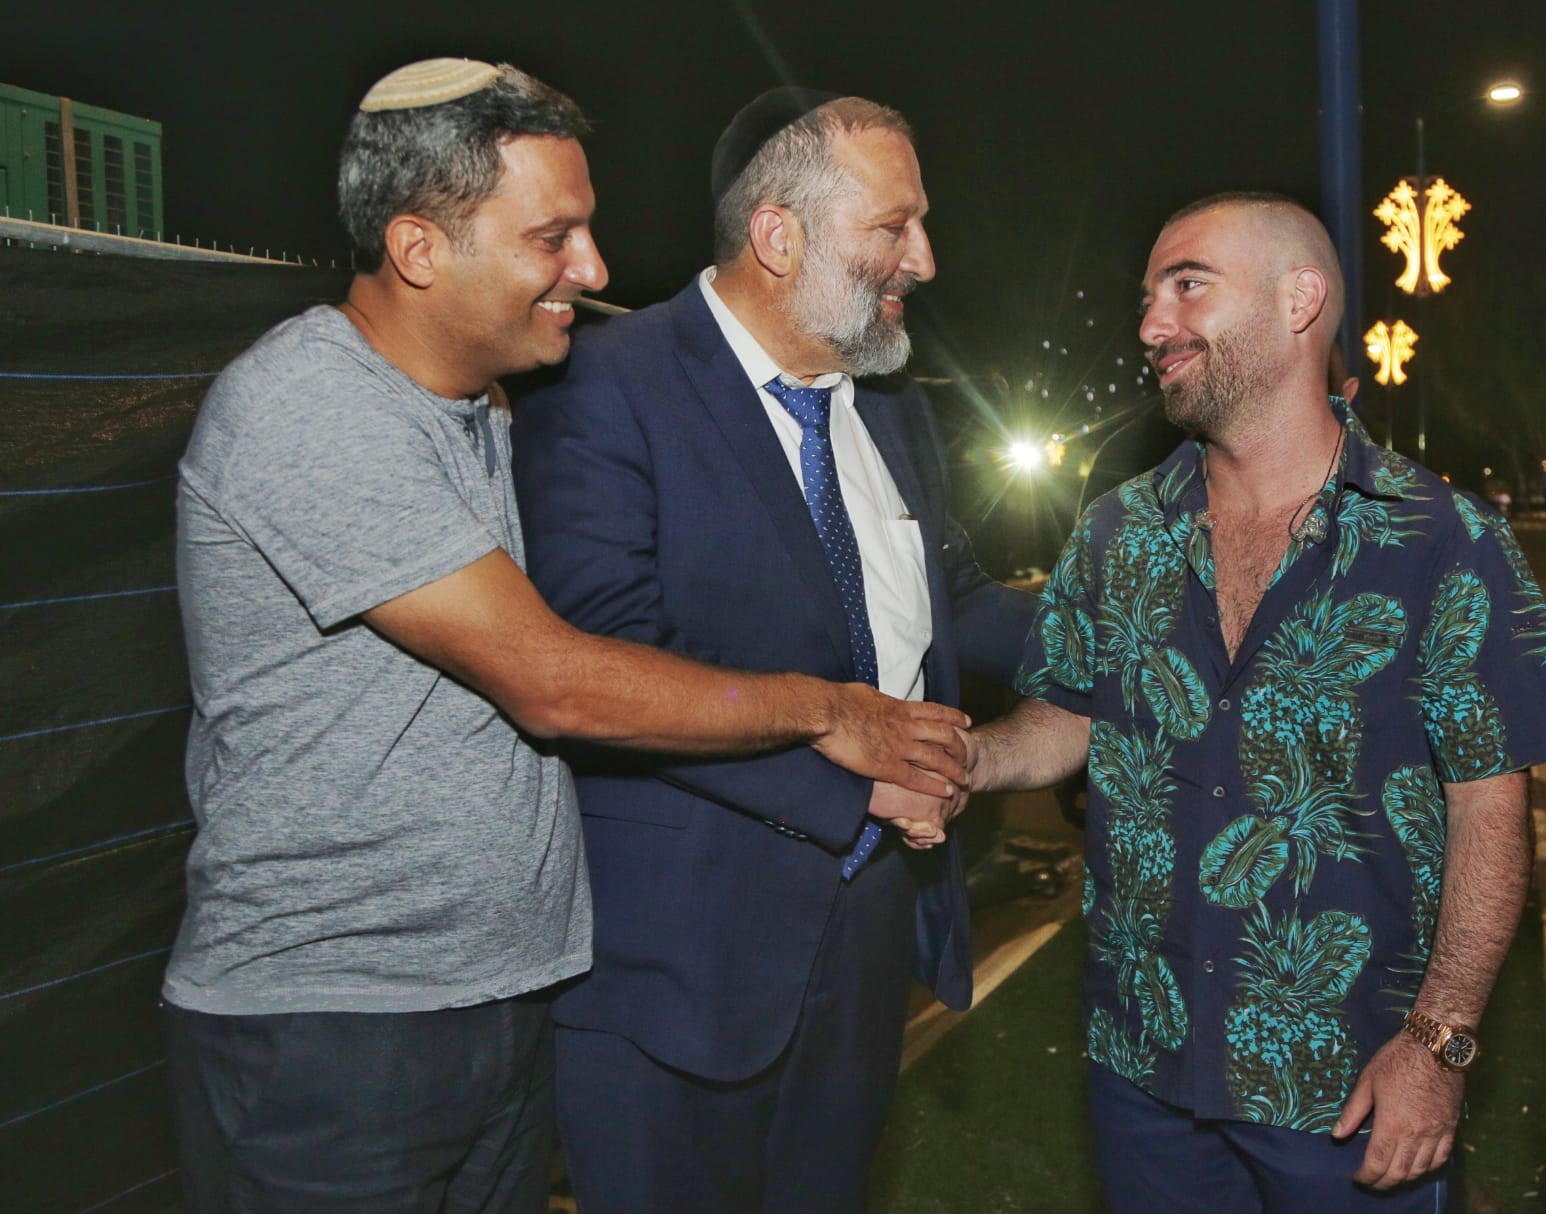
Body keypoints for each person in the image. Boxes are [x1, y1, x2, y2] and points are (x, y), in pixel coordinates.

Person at [161, 60, 972, 1214]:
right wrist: (832, 708)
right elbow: (556, 680)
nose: (592, 270)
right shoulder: (312, 405)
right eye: (553, 238)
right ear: (419, 247)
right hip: (335, 1025)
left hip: (496, 1006)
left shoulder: (489, 409)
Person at [967, 192, 1546, 1212]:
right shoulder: (1119, 530)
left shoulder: (1441, 539)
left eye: (1187, 286)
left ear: (1298, 300)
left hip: (1350, 1085)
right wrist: (966, 760)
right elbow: (1071, 717)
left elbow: (1490, 806)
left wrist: (1438, 1042)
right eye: (1148, 296)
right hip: (1143, 1064)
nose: (1152, 324)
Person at [513, 88, 1037, 1213]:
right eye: (893, 226)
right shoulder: (604, 384)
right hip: (676, 967)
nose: (925, 260)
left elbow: (945, 599)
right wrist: (858, 782)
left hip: (862, 948)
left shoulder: (889, 405)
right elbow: (603, 661)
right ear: (778, 234)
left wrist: (1151, 633)